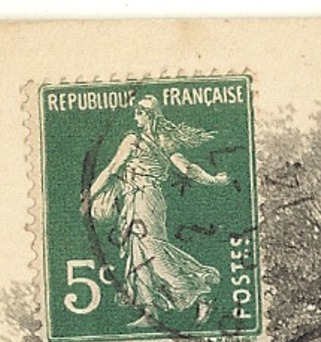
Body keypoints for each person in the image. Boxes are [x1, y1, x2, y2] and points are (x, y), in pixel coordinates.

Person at [82, 95, 231, 329]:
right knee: (138, 252)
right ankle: (151, 312)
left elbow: (112, 169)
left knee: (152, 249)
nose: (135, 117)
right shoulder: (163, 142)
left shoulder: (135, 140)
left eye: (139, 113)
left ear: (148, 115)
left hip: (145, 199)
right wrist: (213, 180)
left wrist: (88, 196)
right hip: (140, 199)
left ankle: (200, 292)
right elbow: (188, 168)